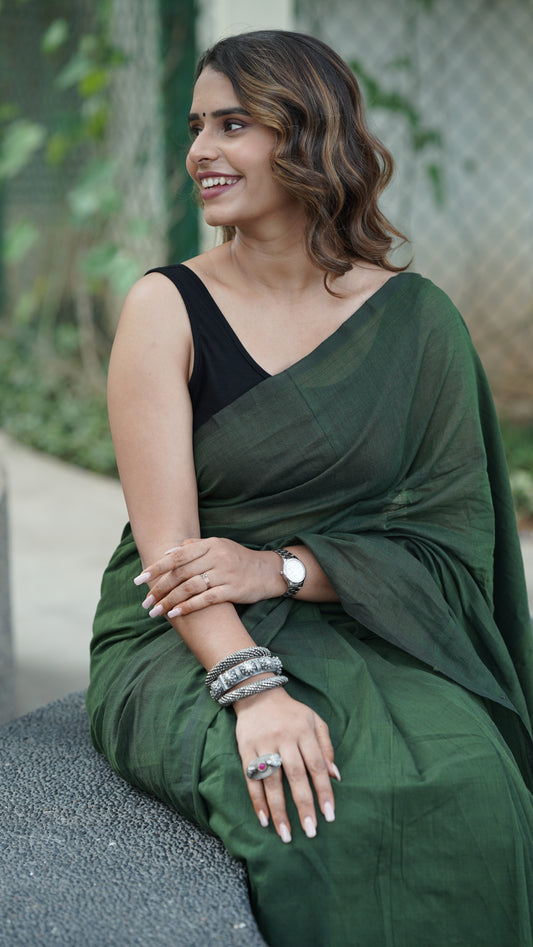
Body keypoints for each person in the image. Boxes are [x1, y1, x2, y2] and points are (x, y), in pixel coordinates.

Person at [86, 29, 533, 946]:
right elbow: (171, 556)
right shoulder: (165, 307)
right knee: (305, 805)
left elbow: (447, 545)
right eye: (195, 126)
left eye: (232, 125)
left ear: (308, 136)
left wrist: (280, 568)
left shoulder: (415, 323)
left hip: (365, 614)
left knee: (471, 779)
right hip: (186, 632)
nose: (200, 151)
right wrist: (253, 689)